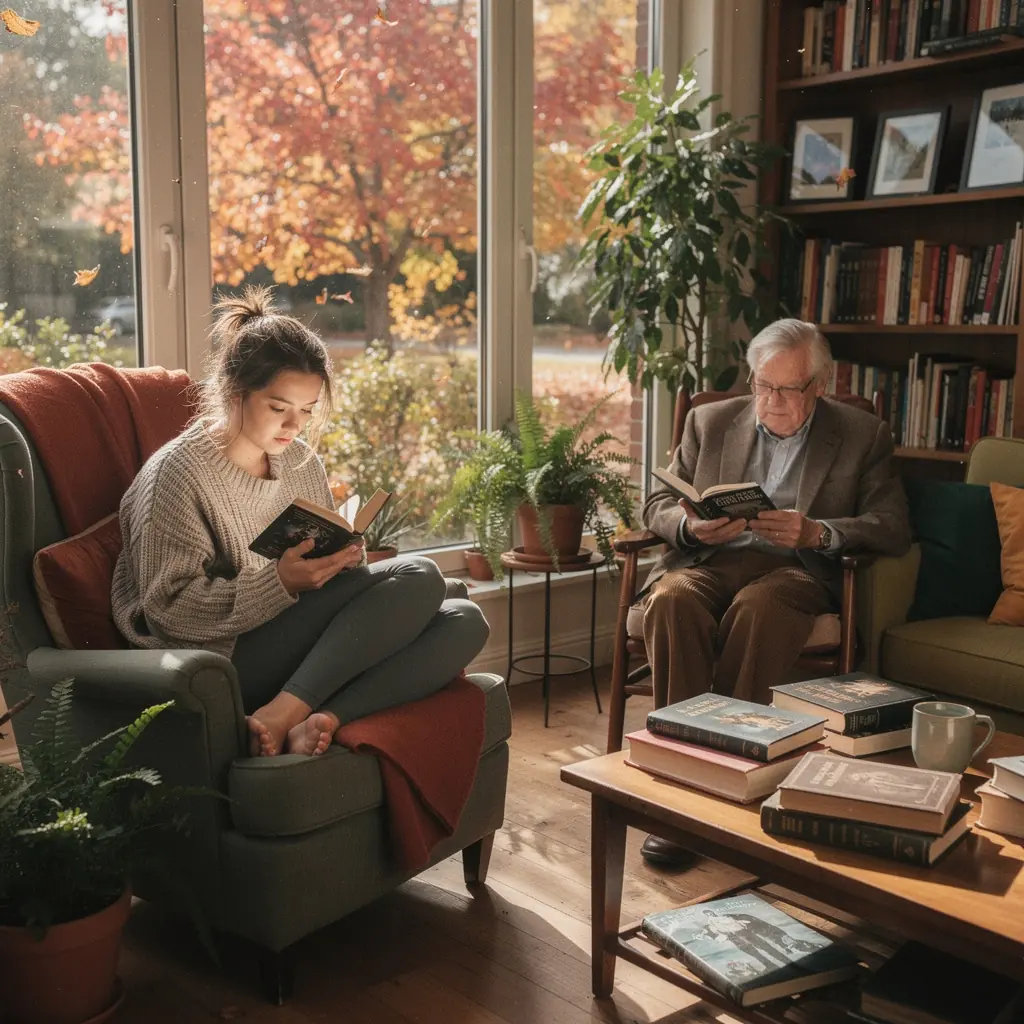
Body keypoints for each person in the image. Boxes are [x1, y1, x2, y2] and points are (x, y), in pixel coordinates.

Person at [111, 286, 489, 757]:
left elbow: (328, 581)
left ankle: (318, 718)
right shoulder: (178, 474)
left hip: (298, 637)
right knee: (421, 575)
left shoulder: (301, 462)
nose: (294, 426)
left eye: (307, 410)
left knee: (464, 618)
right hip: (223, 654)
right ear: (235, 392)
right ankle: (282, 710)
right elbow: (168, 612)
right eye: (279, 408)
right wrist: (280, 582)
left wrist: (345, 558)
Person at [638, 318, 911, 866]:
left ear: (819, 386)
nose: (774, 400)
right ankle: (678, 785)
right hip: (711, 558)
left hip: (795, 572)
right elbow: (655, 506)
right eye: (764, 386)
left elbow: (892, 523)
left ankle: (735, 775)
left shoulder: (861, 434)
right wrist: (692, 528)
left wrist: (819, 532)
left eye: (789, 389)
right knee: (671, 600)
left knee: (759, 607)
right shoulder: (708, 421)